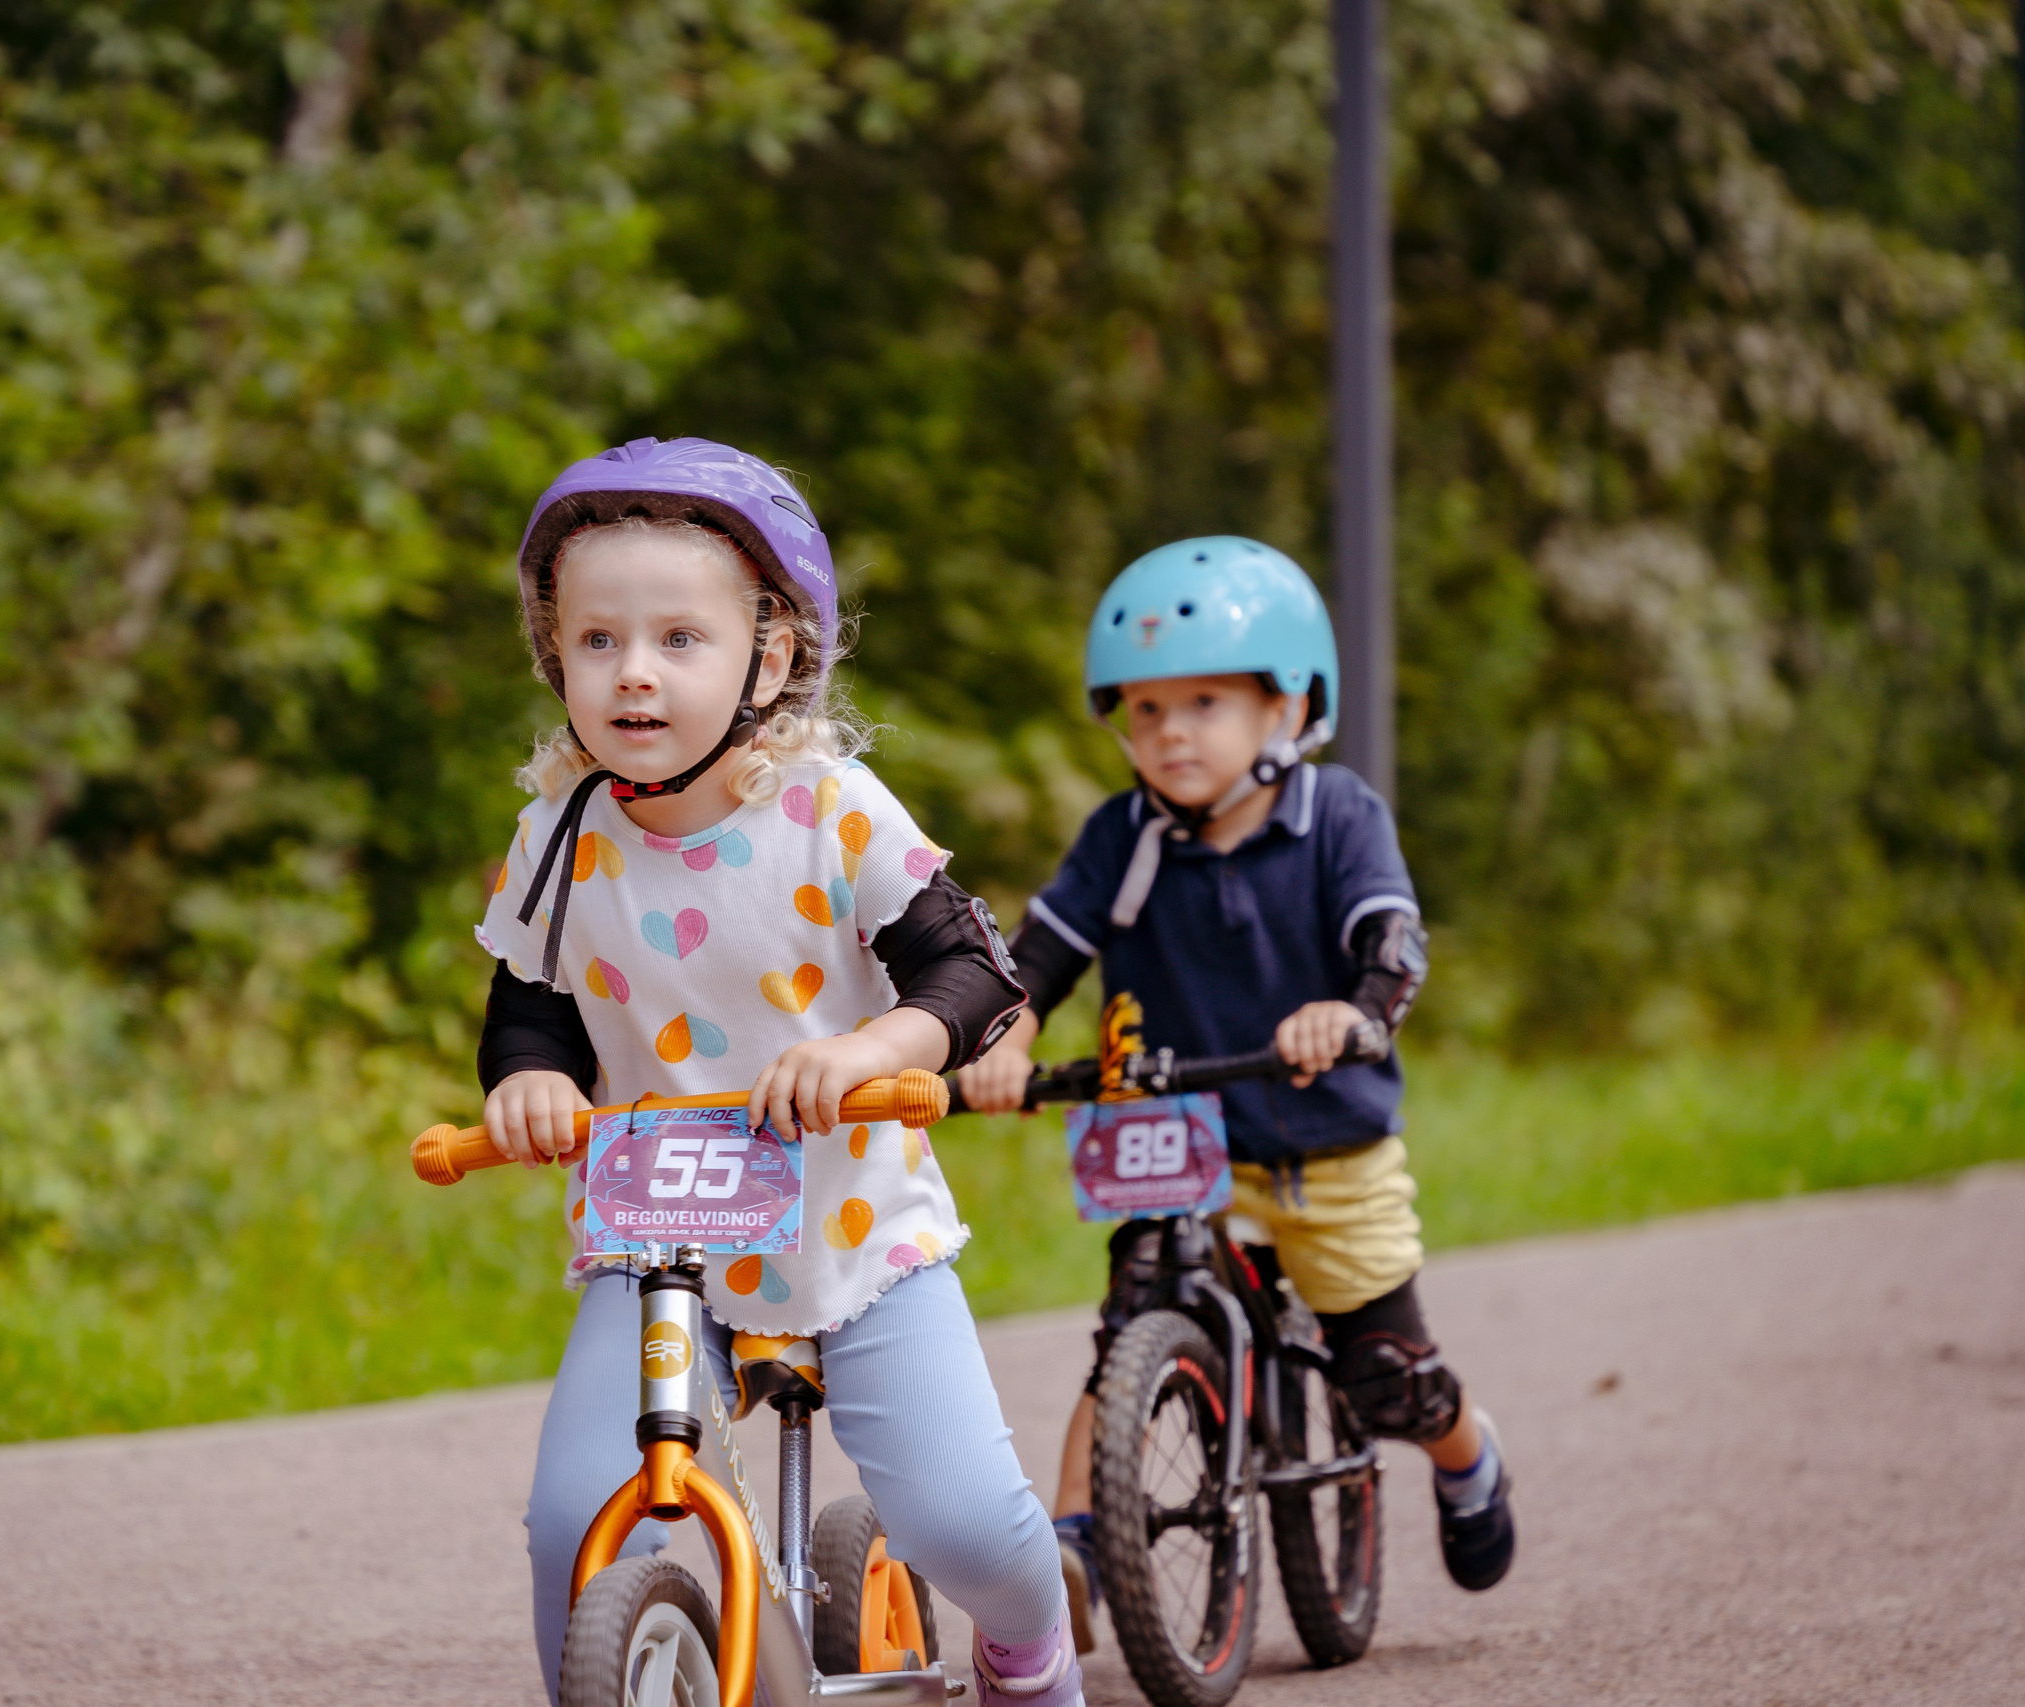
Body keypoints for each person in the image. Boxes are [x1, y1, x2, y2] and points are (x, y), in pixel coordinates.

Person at [474, 437, 1087, 1707]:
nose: (632, 672)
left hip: (849, 1220)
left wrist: (870, 1049)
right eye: (596, 641)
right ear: (558, 657)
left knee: (967, 1523)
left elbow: (974, 979)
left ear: (770, 655)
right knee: (570, 1521)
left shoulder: (830, 810)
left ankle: (1030, 1640)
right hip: (656, 1235)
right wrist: (527, 1083)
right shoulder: (558, 834)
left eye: (678, 640)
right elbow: (529, 1009)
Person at [952, 535, 1517, 1654]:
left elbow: (1390, 942)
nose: (1171, 733)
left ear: (1286, 703)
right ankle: (1073, 1552)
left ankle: (1467, 1451)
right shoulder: (1124, 838)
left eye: (1204, 702)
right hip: (1167, 1137)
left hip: (1321, 1147)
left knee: (1385, 1374)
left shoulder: (1337, 818)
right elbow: (1032, 968)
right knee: (1125, 1338)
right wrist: (999, 1046)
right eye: (1147, 710)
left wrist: (1351, 1012)